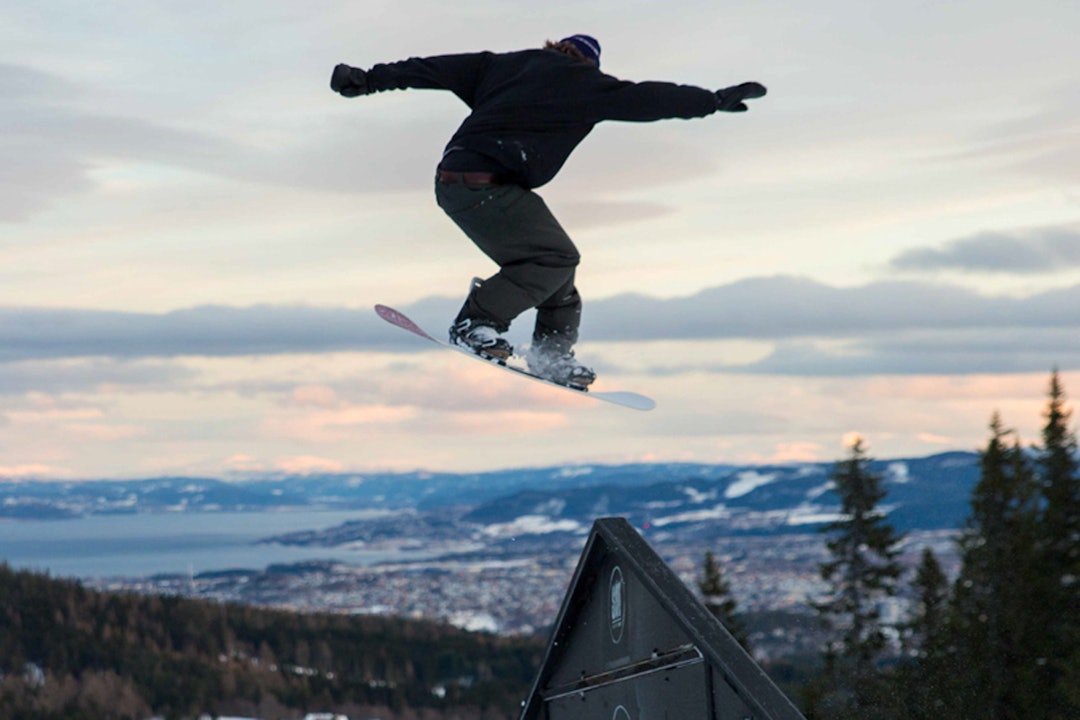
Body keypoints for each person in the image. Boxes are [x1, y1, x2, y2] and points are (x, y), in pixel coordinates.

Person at [331, 35, 765, 389]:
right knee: (553, 258)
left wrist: (368, 79)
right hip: (483, 186)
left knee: (557, 262)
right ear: (589, 64)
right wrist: (713, 100)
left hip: (466, 181)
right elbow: (650, 98)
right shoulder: (587, 84)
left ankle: (551, 356)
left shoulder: (499, 67)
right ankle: (476, 323)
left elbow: (430, 68)